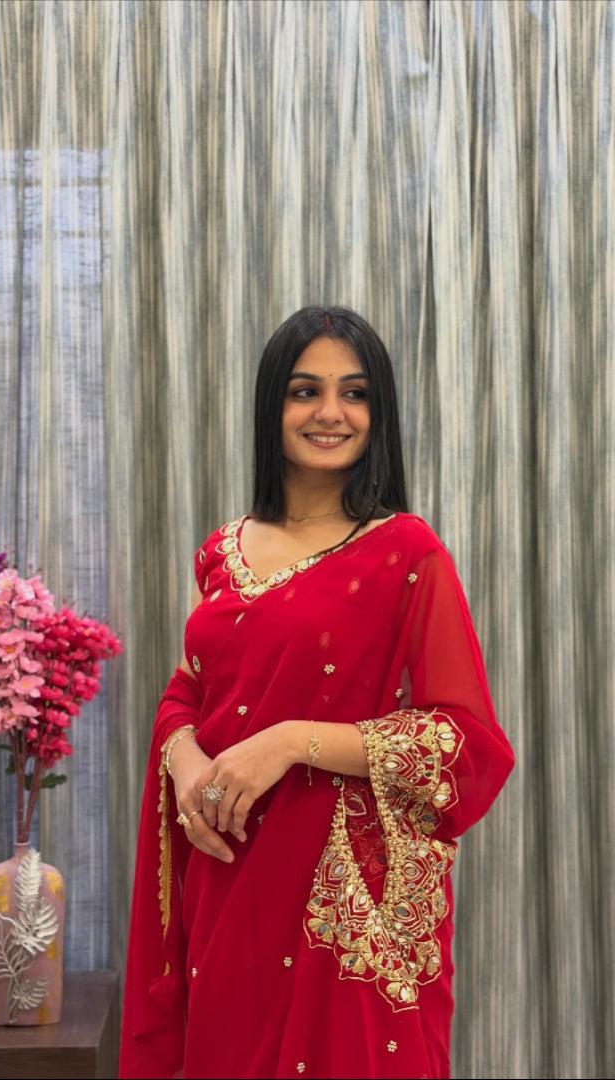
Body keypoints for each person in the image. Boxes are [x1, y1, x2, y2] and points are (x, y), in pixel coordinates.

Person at [118, 306, 515, 1080]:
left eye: (354, 393)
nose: (330, 413)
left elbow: (465, 742)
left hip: (338, 905)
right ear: (274, 406)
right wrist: (186, 758)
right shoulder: (223, 551)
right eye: (306, 391)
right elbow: (189, 687)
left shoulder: (408, 551)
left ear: (379, 412)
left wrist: (287, 740)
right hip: (228, 873)